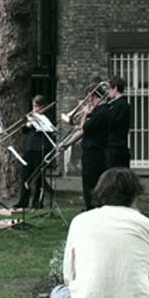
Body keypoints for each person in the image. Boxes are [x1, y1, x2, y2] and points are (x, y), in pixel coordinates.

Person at [44, 168, 149, 298]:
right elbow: (145, 271)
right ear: (135, 195)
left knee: (57, 295)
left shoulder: (81, 221)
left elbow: (69, 276)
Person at [58, 82, 109, 210]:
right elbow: (82, 129)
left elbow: (83, 128)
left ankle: (92, 208)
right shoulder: (99, 111)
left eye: (89, 98)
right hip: (93, 151)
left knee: (90, 183)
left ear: (93, 96)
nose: (89, 102)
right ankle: (90, 207)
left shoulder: (100, 112)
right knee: (89, 182)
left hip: (94, 152)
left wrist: (85, 114)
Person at [14, 95, 56, 209]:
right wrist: (29, 122)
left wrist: (39, 121)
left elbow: (51, 131)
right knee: (25, 176)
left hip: (41, 148)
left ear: (43, 106)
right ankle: (23, 201)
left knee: (38, 177)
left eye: (37, 106)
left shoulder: (48, 117)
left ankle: (37, 202)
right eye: (34, 106)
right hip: (29, 148)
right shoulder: (31, 116)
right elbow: (23, 130)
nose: (35, 108)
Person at [105, 76, 132, 169]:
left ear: (115, 88)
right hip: (115, 147)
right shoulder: (115, 104)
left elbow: (111, 122)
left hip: (117, 149)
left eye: (109, 89)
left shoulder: (121, 105)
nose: (108, 92)